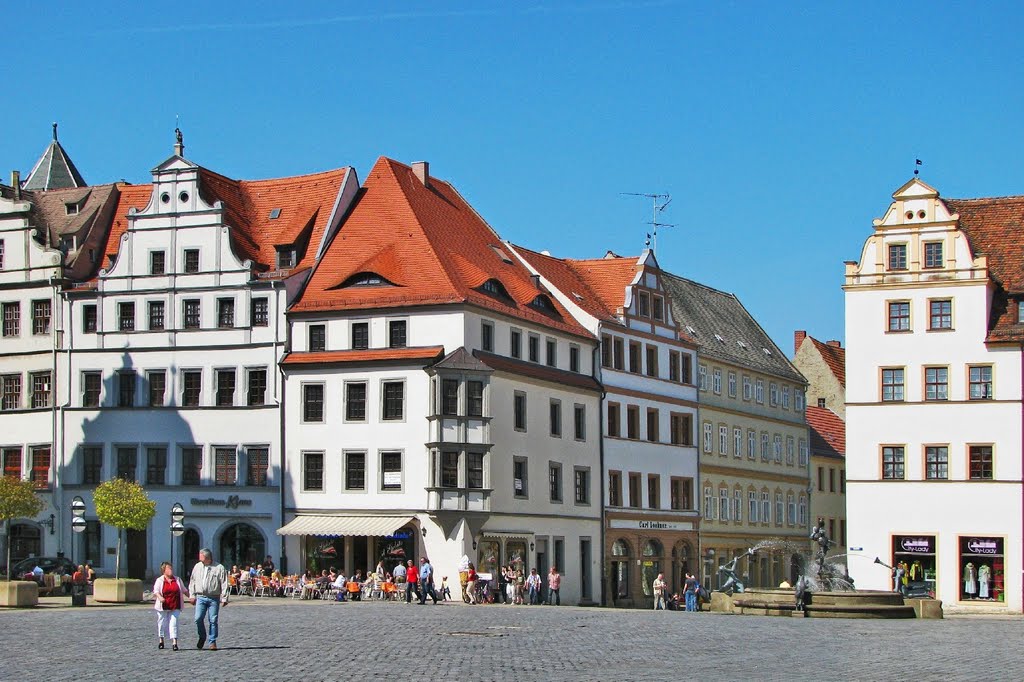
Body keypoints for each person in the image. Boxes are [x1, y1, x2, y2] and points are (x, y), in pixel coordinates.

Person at [188, 548, 229, 651]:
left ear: (207, 557)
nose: (199, 559)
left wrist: (224, 598)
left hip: (214, 598)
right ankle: (202, 636)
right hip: (200, 596)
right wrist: (192, 595)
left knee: (213, 620)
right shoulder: (197, 567)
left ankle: (212, 641)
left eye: (201, 556)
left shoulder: (219, 567)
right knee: (198, 618)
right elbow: (192, 581)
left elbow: (224, 583)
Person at [154, 561, 189, 651]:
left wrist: (191, 597)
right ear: (164, 570)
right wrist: (160, 597)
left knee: (174, 623)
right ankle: (161, 640)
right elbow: (156, 591)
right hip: (164, 605)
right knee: (162, 623)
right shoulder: (160, 580)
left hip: (175, 605)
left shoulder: (177, 579)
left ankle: (174, 642)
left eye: (171, 568)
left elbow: (184, 590)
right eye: (168, 569)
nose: (171, 570)